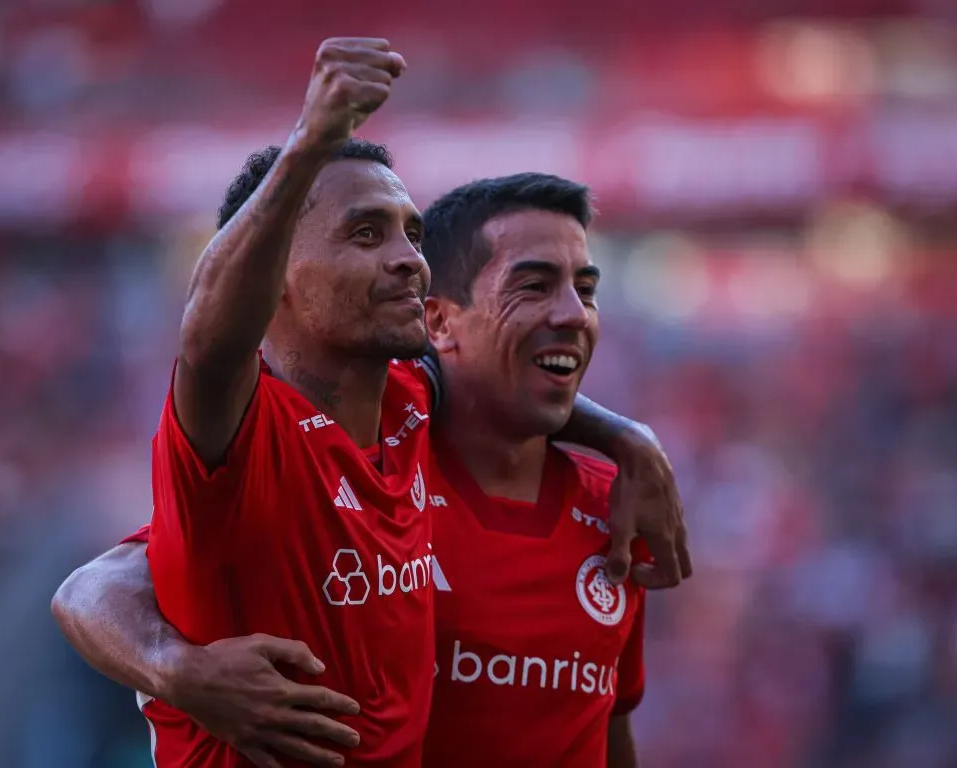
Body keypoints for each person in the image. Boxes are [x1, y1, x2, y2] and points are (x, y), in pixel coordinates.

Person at [53, 37, 690, 768]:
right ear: (276, 277)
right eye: (365, 234)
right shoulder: (246, 439)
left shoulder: (411, 409)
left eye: (411, 234)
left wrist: (626, 437)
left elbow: (499, 379)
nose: (408, 260)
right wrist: (310, 142)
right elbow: (207, 347)